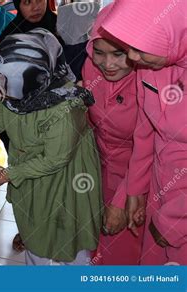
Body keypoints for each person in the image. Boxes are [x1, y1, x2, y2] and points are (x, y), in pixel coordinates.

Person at [0, 29, 103, 265]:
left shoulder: (65, 109)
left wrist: (8, 174)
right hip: (33, 176)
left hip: (64, 181)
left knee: (65, 239)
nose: (6, 97)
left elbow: (54, 160)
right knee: (35, 234)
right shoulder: (15, 91)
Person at [101, 0, 187, 265]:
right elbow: (145, 131)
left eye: (138, 49)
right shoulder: (148, 66)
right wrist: (135, 190)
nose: (132, 58)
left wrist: (174, 221)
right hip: (159, 190)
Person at [81, 3, 142, 265]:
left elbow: (145, 147)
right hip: (100, 174)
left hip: (139, 181)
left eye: (119, 54)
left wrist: (120, 201)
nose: (108, 64)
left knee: (126, 254)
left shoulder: (148, 79)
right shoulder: (90, 68)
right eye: (99, 52)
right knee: (99, 249)